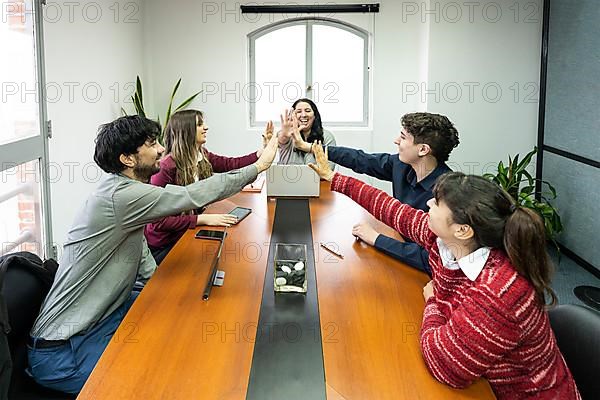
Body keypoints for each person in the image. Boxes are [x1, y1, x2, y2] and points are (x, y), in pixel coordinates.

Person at [27, 115, 278, 394]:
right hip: (64, 349)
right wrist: (259, 166)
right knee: (154, 381)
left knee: (179, 319)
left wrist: (163, 286)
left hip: (105, 315)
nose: (161, 149)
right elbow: (193, 195)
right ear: (128, 159)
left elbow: (141, 249)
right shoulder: (122, 196)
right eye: (152, 144)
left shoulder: (126, 192)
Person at [308, 144, 581, 400]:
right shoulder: (447, 241)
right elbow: (392, 210)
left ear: (463, 229)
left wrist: (434, 302)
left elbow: (445, 365)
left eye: (437, 203)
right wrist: (333, 177)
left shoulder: (499, 291)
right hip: (482, 378)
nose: (428, 204)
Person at [326, 112, 459, 276]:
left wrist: (376, 238)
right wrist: (320, 150)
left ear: (423, 149)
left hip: (420, 271)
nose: (396, 140)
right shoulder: (401, 165)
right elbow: (362, 160)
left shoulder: (447, 195)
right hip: (397, 245)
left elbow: (430, 258)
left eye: (403, 137)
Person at [145, 109, 273, 264]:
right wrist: (203, 219)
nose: (206, 127)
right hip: (166, 244)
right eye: (200, 124)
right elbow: (159, 222)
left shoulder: (201, 155)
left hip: (187, 231)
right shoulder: (167, 166)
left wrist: (261, 152)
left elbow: (229, 164)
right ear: (186, 131)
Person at [278, 98, 336, 169]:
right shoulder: (285, 133)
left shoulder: (327, 136)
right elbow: (279, 143)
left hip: (318, 179)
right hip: (287, 178)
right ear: (293, 116)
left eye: (307, 111)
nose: (303, 115)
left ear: (315, 116)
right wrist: (284, 136)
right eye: (299, 111)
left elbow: (329, 169)